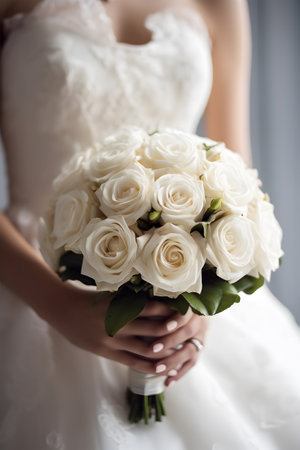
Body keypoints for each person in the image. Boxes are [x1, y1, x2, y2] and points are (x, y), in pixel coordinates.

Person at [0, 0, 299, 449]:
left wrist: (207, 304)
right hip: (29, 271)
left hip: (184, 283)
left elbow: (236, 172)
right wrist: (59, 306)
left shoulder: (221, 5)